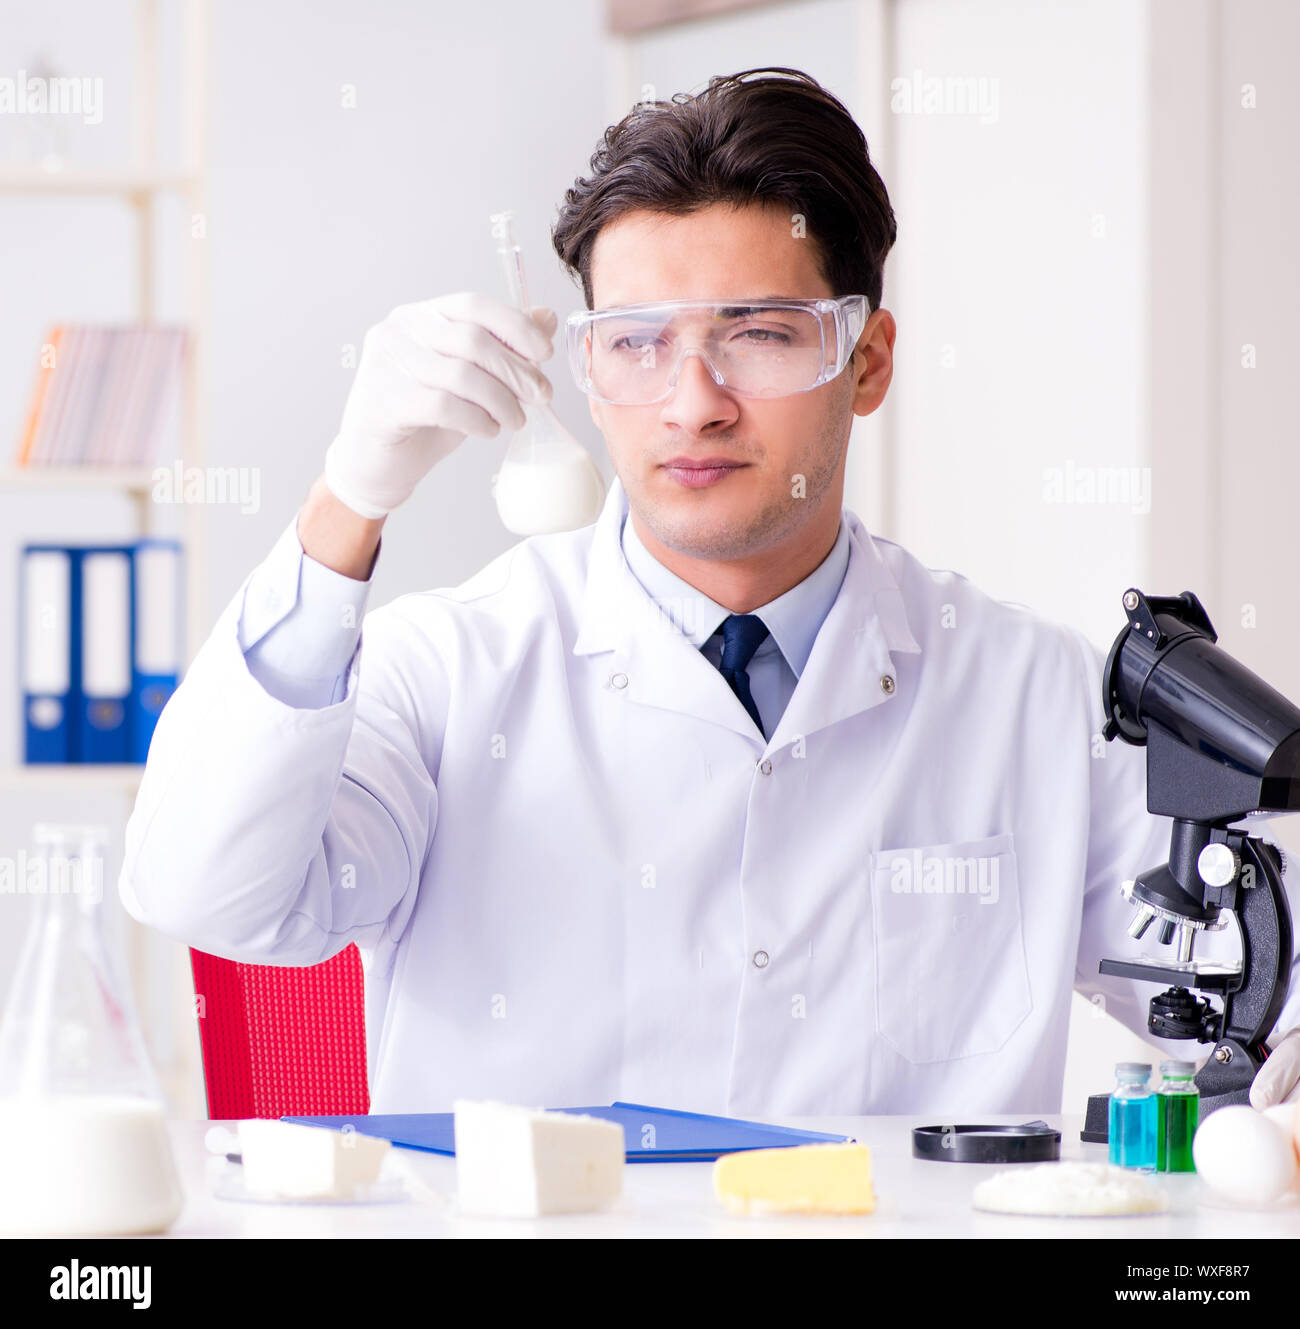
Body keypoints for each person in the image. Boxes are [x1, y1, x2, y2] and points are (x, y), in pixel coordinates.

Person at [120, 67, 1300, 1117]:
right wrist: (345, 507)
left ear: (867, 359)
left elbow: (1259, 977)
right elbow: (213, 893)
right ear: (585, 371)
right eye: (635, 343)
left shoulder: (1034, 697)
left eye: (759, 333)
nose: (693, 402)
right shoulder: (449, 670)